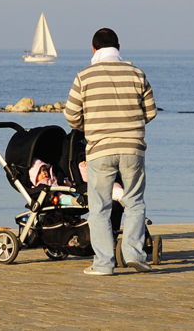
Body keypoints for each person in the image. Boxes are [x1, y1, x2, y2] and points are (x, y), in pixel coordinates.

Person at [63, 27, 157, 275]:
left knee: (100, 207)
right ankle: (134, 255)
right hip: (132, 148)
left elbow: (71, 115)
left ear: (93, 49)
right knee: (134, 202)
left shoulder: (84, 76)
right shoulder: (137, 74)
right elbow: (150, 112)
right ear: (119, 48)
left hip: (100, 149)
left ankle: (104, 263)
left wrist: (90, 127)